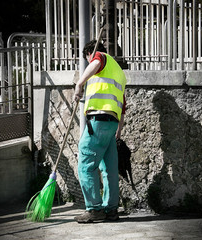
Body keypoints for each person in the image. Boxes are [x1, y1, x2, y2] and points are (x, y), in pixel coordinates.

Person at [73, 40, 127, 223]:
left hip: (98, 120)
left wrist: (79, 84)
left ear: (89, 54)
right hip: (112, 123)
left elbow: (95, 63)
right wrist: (118, 129)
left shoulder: (100, 57)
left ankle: (94, 209)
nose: (89, 63)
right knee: (109, 168)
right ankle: (111, 209)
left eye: (87, 59)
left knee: (86, 163)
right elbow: (123, 104)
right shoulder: (118, 71)